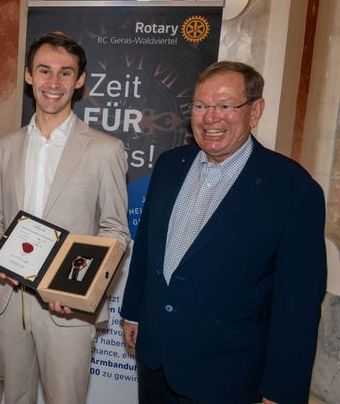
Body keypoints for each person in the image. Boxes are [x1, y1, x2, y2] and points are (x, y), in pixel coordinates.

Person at [121, 61, 326, 403]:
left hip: (226, 376)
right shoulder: (171, 165)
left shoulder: (293, 190)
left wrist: (281, 390)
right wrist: (133, 312)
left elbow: (298, 306)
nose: (209, 117)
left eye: (225, 106)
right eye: (201, 105)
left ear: (255, 111)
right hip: (156, 361)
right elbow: (146, 249)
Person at [0, 31, 130, 403]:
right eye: (44, 71)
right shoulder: (6, 146)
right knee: (15, 397)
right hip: (10, 299)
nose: (54, 82)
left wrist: (82, 289)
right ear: (29, 76)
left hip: (67, 308)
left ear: (80, 81)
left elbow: (116, 232)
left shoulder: (105, 150)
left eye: (65, 73)